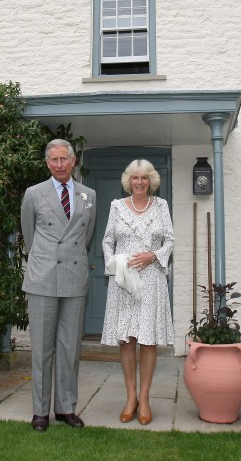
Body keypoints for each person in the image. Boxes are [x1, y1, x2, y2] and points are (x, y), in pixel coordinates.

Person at [20, 139, 97, 431]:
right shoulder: (33, 194)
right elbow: (29, 235)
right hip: (42, 279)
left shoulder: (88, 194)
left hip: (74, 280)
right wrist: (45, 259)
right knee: (41, 349)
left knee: (69, 349)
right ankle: (40, 411)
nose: (60, 164)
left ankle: (66, 409)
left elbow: (86, 236)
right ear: (47, 164)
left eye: (65, 159)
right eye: (54, 160)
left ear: (73, 161)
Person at [100, 159, 174, 426]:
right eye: (135, 178)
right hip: (124, 282)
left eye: (144, 178)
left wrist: (153, 256)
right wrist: (115, 263)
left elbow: (170, 240)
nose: (140, 182)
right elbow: (108, 239)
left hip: (152, 280)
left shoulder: (162, 206)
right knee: (128, 339)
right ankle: (131, 397)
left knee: (148, 340)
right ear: (128, 181)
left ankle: (145, 397)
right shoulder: (116, 207)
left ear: (151, 181)